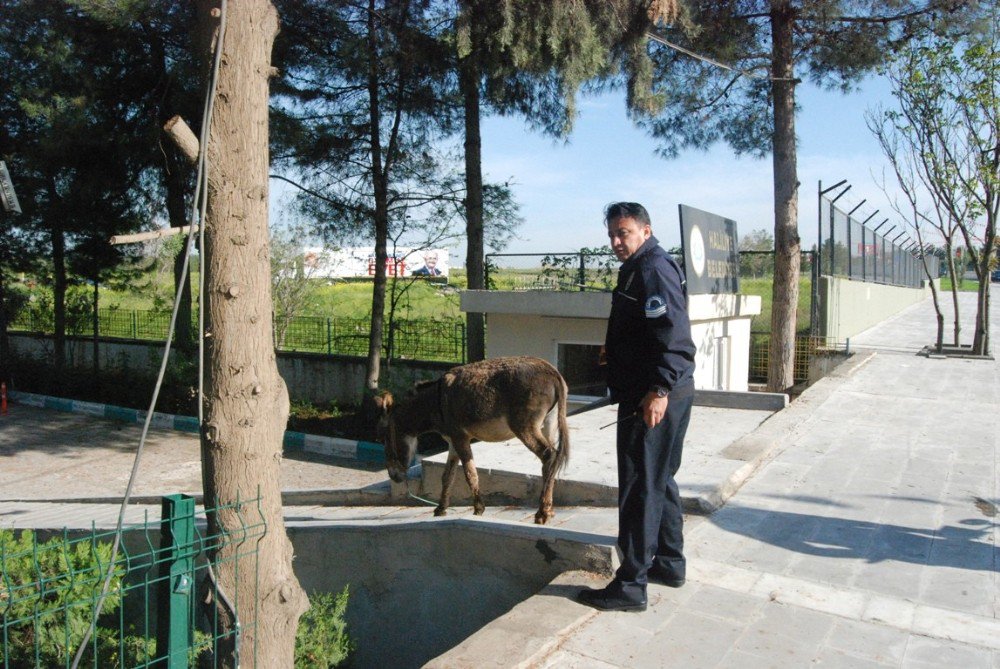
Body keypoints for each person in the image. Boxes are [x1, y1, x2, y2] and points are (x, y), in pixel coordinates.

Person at [578, 202, 696, 613]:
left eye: (623, 233)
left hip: (652, 398)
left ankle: (630, 584)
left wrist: (658, 391)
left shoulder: (652, 269)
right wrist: (619, 351)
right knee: (659, 480)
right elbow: (648, 331)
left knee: (639, 488)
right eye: (611, 234)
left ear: (645, 230)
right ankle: (668, 562)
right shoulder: (642, 267)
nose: (615, 242)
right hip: (655, 391)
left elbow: (676, 340)